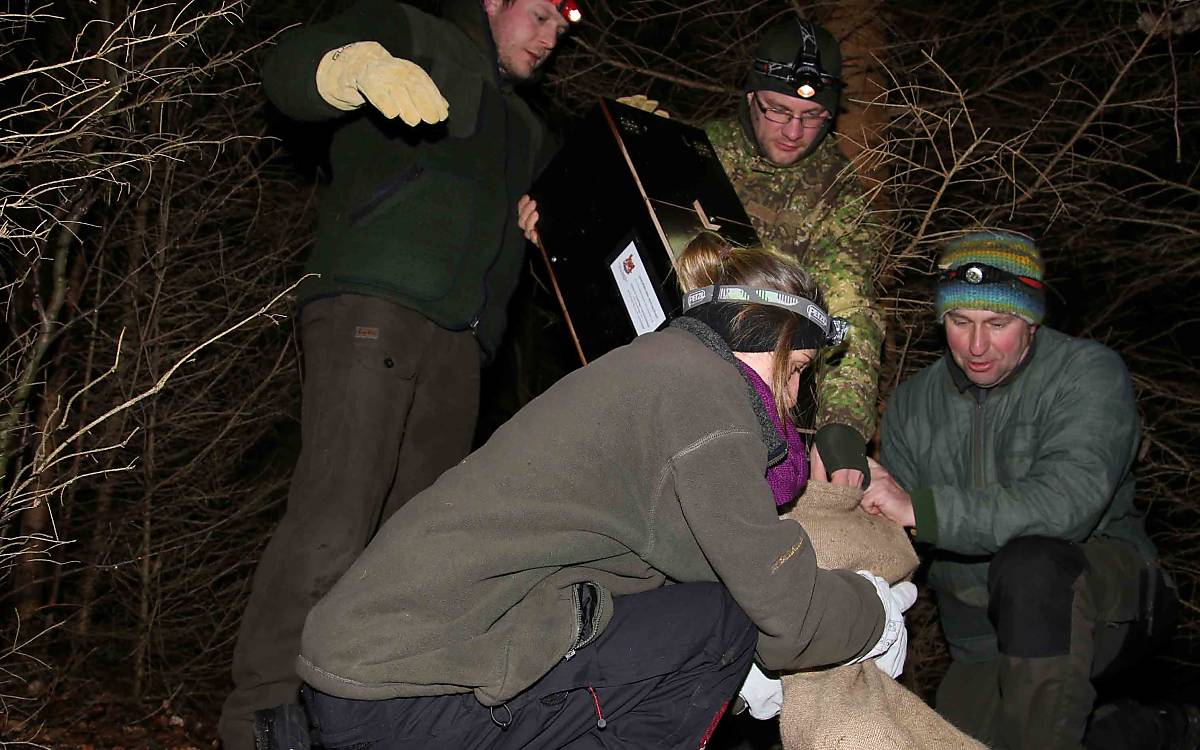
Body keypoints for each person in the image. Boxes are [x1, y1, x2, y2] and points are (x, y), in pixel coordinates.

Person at [285, 234, 913, 749]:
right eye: (798, 369)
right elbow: (784, 608)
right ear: (760, 340)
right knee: (728, 624)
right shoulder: (709, 399)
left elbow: (697, 564)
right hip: (410, 696)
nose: (796, 395)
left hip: (364, 673)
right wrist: (873, 612)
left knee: (709, 617)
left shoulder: (651, 370)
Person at [219, 1, 579, 747]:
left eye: (561, 29)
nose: (550, 40)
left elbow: (571, 225)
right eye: (540, 16)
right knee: (333, 520)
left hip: (463, 346)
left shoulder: (531, 129)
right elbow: (288, 71)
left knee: (410, 554)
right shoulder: (416, 33)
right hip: (374, 305)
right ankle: (263, 716)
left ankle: (362, 719)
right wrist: (352, 68)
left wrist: (579, 181)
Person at [519, 15, 884, 490]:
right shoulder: (693, 152)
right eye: (777, 110)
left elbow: (852, 312)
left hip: (758, 409)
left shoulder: (839, 196)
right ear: (750, 97)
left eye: (812, 116)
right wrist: (555, 232)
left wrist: (843, 428)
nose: (794, 130)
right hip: (651, 378)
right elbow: (615, 273)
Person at [862, 230, 1188, 749]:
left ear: (1032, 321)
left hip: (1105, 597)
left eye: (998, 323)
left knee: (1034, 566)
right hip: (978, 636)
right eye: (959, 321)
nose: (976, 346)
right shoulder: (912, 403)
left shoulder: (1088, 373)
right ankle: (1142, 733)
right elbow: (895, 532)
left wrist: (920, 509)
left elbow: (1066, 504)